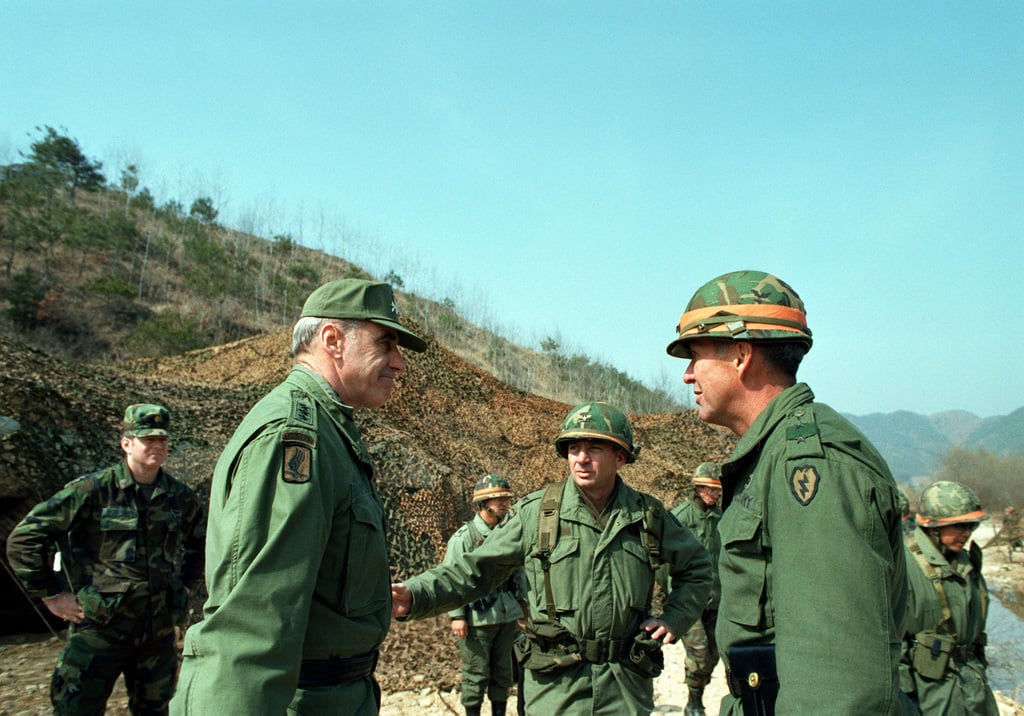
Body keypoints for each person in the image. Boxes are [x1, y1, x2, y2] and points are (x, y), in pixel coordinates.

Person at [170, 279, 426, 715]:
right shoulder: (295, 436)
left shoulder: (330, 430)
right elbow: (251, 624)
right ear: (333, 340)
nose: (398, 363)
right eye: (385, 344)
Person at [665, 270, 911, 715]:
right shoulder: (773, 453)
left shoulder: (811, 464)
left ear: (740, 355)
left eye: (695, 356)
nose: (686, 376)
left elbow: (838, 686)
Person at [392, 401, 712, 715]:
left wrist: (675, 617)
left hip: (625, 686)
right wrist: (417, 594)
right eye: (574, 448)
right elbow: (475, 570)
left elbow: (697, 566)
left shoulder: (647, 515)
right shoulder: (537, 515)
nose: (581, 459)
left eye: (594, 448)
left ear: (621, 456)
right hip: (556, 690)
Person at [6, 403, 205, 716]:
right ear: (126, 443)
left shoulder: (179, 497)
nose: (157, 446)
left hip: (156, 634)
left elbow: (201, 542)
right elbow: (25, 538)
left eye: (162, 440)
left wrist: (183, 588)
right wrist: (51, 595)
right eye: (147, 439)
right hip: (99, 629)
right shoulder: (93, 491)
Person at [901, 480, 999, 715]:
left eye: (971, 526)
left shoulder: (968, 565)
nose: (966, 533)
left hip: (974, 690)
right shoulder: (905, 567)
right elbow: (894, 644)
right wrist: (906, 700)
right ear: (933, 527)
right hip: (931, 697)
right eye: (958, 526)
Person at [445, 474, 528, 716]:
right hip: (476, 618)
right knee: (476, 672)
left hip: (506, 614)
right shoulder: (464, 538)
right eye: (496, 499)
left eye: (505, 499)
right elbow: (452, 577)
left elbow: (518, 570)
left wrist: (523, 602)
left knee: (503, 672)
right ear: (483, 503)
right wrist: (457, 615)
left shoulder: (507, 532)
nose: (503, 503)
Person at [667, 462, 723, 716]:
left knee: (713, 655)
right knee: (699, 654)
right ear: (698, 487)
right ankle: (693, 703)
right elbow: (664, 564)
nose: (715, 495)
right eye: (710, 489)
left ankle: (696, 696)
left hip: (716, 600)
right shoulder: (680, 518)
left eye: (718, 491)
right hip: (689, 601)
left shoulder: (721, 519)